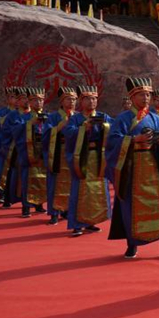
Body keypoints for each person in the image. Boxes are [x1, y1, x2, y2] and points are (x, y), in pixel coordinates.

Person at [105, 77, 159, 259]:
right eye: (141, 94)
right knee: (131, 206)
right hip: (132, 168)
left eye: (148, 94)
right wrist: (134, 140)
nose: (146, 98)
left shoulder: (155, 118)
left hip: (153, 168)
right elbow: (113, 141)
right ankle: (132, 245)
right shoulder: (123, 119)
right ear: (132, 97)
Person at [63, 86, 113, 236]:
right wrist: (84, 128)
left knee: (96, 190)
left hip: (98, 158)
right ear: (81, 101)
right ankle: (77, 224)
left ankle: (92, 221)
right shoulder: (76, 118)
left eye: (94, 99)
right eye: (88, 99)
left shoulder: (103, 116)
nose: (92, 101)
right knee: (79, 190)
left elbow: (114, 130)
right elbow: (68, 133)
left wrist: (105, 127)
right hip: (82, 158)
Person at [8, 87, 49, 218]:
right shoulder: (24, 117)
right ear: (30, 102)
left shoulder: (48, 116)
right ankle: (26, 206)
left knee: (42, 178)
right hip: (28, 151)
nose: (38, 103)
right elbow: (15, 132)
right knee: (27, 179)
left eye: (41, 100)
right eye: (35, 100)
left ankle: (39, 203)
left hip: (43, 150)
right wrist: (30, 124)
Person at [43, 87, 77, 225]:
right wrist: (58, 127)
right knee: (54, 183)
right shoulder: (53, 117)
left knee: (72, 183)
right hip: (57, 152)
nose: (72, 102)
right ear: (62, 101)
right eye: (68, 99)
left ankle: (68, 210)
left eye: (74, 99)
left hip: (73, 153)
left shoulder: (77, 116)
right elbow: (45, 135)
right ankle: (54, 213)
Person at [0, 87, 29, 208]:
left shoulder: (33, 114)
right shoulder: (12, 115)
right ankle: (8, 197)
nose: (26, 101)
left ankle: (33, 201)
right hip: (15, 148)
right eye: (23, 98)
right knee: (12, 172)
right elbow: (7, 131)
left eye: (28, 98)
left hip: (31, 148)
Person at [0, 87, 17, 201]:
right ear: (7, 99)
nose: (14, 100)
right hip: (3, 145)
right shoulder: (1, 112)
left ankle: (14, 194)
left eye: (17, 97)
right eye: (12, 97)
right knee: (1, 169)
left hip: (18, 146)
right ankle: (2, 192)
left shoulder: (22, 112)